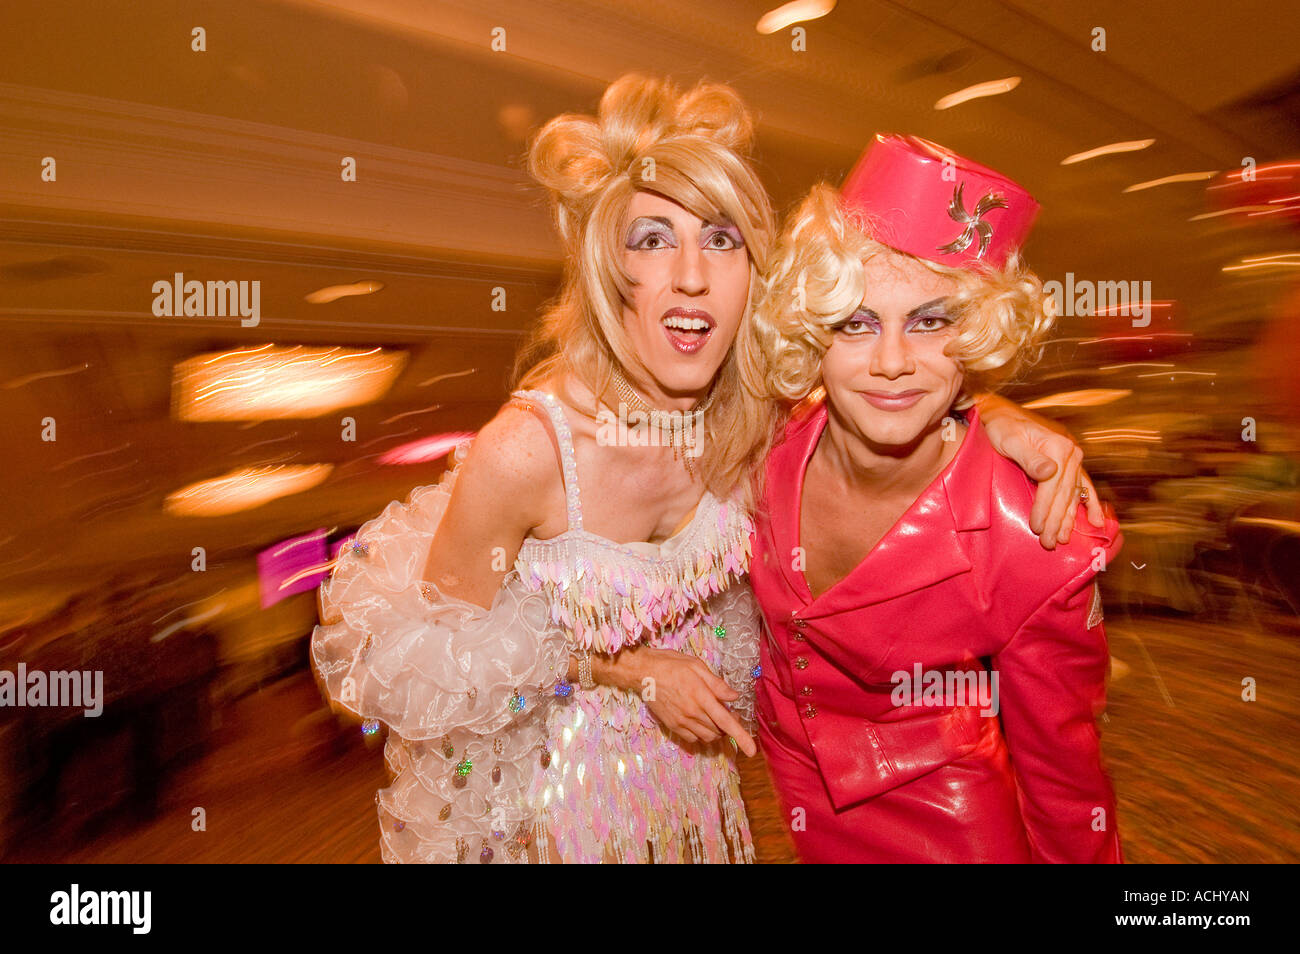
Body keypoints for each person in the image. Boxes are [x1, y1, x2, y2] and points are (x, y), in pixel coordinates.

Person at [311, 77, 1101, 864]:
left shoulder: (751, 416)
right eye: (652, 239)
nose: (692, 273)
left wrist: (993, 414)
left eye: (721, 238)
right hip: (553, 816)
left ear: (752, 270)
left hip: (698, 801)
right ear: (605, 271)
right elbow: (423, 673)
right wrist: (626, 671)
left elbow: (884, 385)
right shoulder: (527, 449)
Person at [748, 134, 1124, 863]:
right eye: (856, 324)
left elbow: (1065, 780)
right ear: (812, 334)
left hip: (947, 827)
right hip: (796, 801)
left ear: (977, 332)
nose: (892, 364)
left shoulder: (1039, 535)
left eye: (931, 321)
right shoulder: (764, 453)